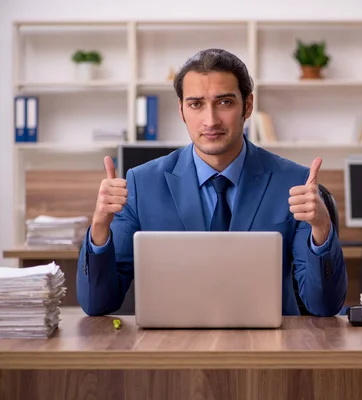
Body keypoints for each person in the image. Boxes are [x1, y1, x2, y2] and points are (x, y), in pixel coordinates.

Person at [76, 48, 347, 317]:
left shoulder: (293, 182)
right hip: (171, 347)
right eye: (196, 104)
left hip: (268, 348)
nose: (211, 120)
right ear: (182, 110)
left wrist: (322, 228)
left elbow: (323, 306)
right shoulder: (140, 184)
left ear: (247, 106)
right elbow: (98, 304)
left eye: (225, 102)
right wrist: (99, 227)